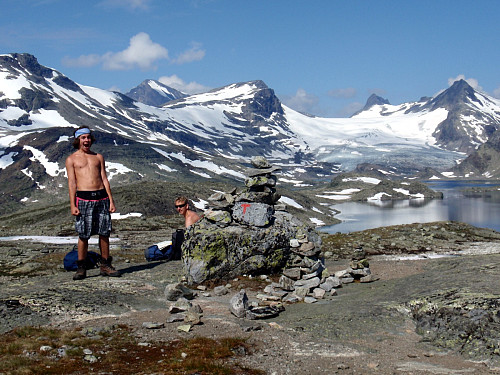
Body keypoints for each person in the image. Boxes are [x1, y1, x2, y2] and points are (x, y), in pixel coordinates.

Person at [65, 126, 120, 280]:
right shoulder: (72, 159)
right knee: (83, 234)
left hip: (101, 198)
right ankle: (81, 267)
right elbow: (71, 183)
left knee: (104, 232)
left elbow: (104, 179)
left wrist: (111, 200)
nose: (87, 140)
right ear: (78, 140)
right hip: (83, 199)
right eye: (83, 138)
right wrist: (73, 204)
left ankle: (105, 265)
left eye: (89, 137)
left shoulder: (98, 157)